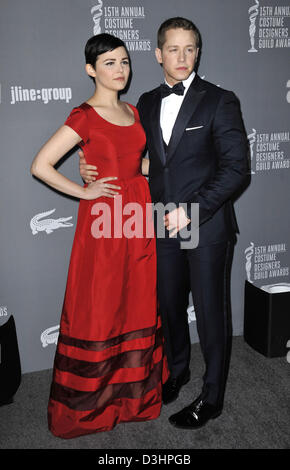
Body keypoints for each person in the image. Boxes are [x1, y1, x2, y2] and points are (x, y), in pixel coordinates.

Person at [80, 17, 248, 430]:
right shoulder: (147, 102)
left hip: (205, 225)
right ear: (158, 54)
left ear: (197, 52)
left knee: (210, 315)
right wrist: (91, 167)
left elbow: (236, 170)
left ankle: (212, 398)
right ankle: (177, 372)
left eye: (190, 49)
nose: (182, 57)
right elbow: (141, 160)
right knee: (170, 308)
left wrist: (191, 209)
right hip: (160, 225)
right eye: (173, 49)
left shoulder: (220, 100)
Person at [30, 33, 168, 439]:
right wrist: (84, 189)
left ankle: (133, 400)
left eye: (124, 61)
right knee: (101, 304)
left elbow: (136, 162)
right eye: (109, 63)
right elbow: (41, 165)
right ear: (91, 69)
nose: (119, 69)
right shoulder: (84, 116)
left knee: (136, 301)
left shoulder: (133, 110)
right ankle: (89, 409)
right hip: (105, 221)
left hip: (138, 215)